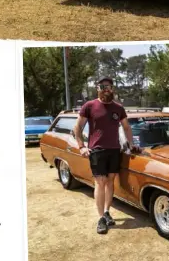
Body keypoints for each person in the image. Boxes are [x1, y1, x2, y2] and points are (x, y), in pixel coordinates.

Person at [73, 76, 138, 235]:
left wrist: (130, 144)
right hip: (97, 150)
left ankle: (107, 212)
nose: (105, 89)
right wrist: (81, 146)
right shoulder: (89, 106)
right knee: (100, 182)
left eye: (108, 86)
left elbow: (126, 128)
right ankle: (101, 217)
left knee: (110, 181)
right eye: (102, 86)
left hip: (114, 150)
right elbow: (78, 128)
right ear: (97, 89)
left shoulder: (118, 108)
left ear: (112, 88)